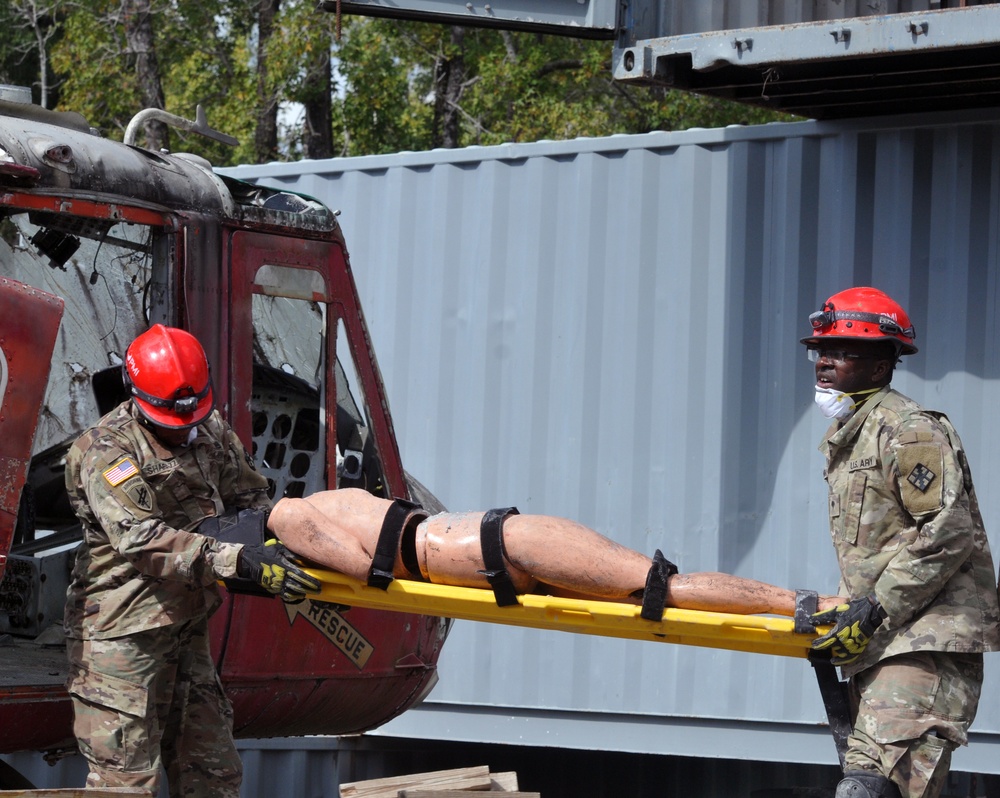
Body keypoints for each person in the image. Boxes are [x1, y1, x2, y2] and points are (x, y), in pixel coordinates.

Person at [63, 324, 319, 798]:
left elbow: (250, 497)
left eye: (192, 417)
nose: (184, 432)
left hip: (185, 629)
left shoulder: (210, 430)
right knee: (124, 786)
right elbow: (141, 539)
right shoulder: (107, 452)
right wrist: (235, 562)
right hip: (123, 640)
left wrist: (289, 545)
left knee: (213, 775)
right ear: (137, 396)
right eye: (169, 423)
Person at [801, 287, 1000, 798]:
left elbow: (947, 531)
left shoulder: (909, 430)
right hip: (884, 641)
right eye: (820, 350)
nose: (824, 362)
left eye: (843, 351)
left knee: (871, 788)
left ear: (881, 365)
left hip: (927, 642)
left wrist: (874, 607)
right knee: (872, 782)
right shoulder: (854, 433)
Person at [213, 487, 846, 621]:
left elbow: (368, 570)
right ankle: (808, 605)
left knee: (659, 590)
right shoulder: (314, 499)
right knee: (653, 590)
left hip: (499, 550)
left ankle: (810, 604)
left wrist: (297, 575)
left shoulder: (290, 516)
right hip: (489, 546)